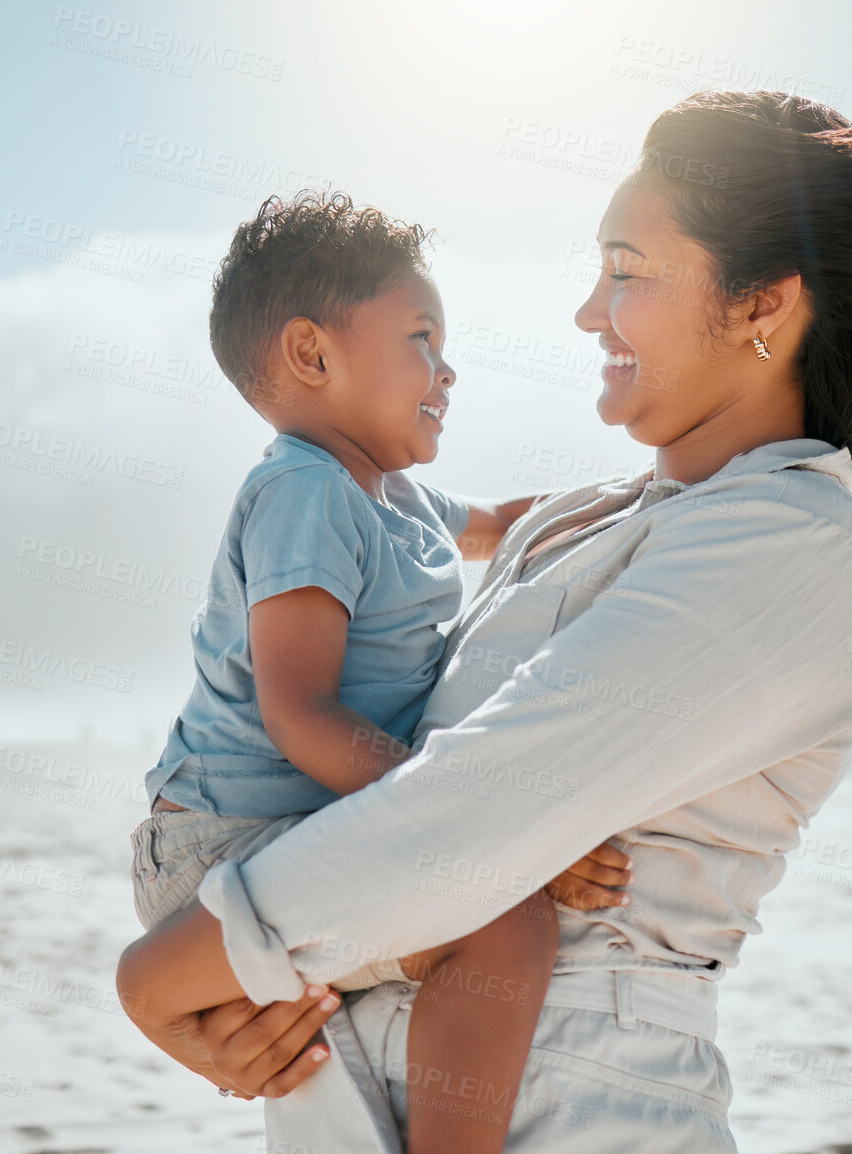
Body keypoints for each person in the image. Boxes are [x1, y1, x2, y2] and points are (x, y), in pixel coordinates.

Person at [118, 90, 852, 1152]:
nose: (590, 311)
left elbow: (466, 808)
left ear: (763, 304)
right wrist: (237, 996)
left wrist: (163, 978)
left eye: (627, 271)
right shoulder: (581, 522)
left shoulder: (786, 542)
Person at [125, 190, 630, 1154]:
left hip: (299, 825)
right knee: (504, 918)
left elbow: (508, 522)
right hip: (220, 846)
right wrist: (477, 814)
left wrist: (652, 493)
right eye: (422, 339)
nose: (448, 371)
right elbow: (300, 714)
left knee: (486, 920)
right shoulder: (303, 492)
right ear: (313, 355)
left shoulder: (397, 498)